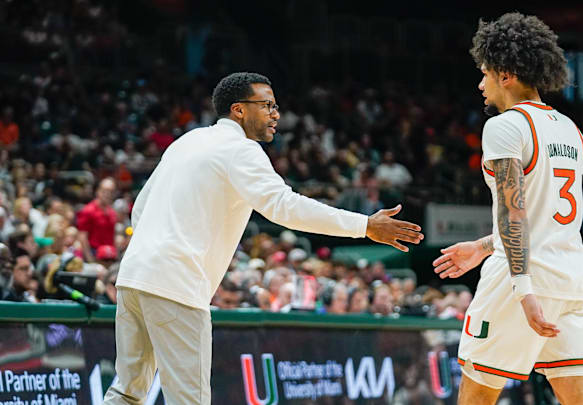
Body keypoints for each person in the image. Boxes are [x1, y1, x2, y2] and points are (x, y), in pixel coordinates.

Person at [103, 72, 423, 405]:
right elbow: (284, 207)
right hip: (176, 282)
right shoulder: (240, 149)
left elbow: (139, 209)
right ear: (239, 110)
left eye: (276, 106)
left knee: (127, 392)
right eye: (267, 105)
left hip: (134, 277)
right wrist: (364, 225)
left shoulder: (187, 140)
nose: (276, 114)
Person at [432, 13, 583, 404]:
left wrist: (523, 289)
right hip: (574, 280)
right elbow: (544, 220)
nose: (481, 84)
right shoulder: (571, 130)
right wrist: (482, 245)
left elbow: (516, 213)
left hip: (522, 281)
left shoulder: (505, 125)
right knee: (581, 396)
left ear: (506, 74)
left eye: (485, 73)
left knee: (475, 395)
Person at [76, 178, 118, 261]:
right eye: (105, 191)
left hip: (109, 255)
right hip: (94, 253)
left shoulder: (112, 212)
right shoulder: (88, 210)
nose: (108, 194)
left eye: (111, 192)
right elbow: (82, 236)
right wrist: (90, 259)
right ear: (98, 191)